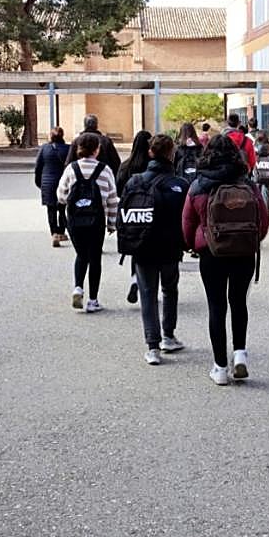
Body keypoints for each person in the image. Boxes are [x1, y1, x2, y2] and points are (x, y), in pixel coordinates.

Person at [182, 135, 269, 386]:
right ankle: (240, 354)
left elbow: (187, 222)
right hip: (243, 252)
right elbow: (263, 220)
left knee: (216, 307)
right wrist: (252, 240)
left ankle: (220, 368)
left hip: (212, 253)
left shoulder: (199, 186)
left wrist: (193, 245)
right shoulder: (247, 184)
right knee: (239, 303)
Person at [120, 134, 190, 365]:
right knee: (170, 290)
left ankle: (152, 346)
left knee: (148, 293)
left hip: (142, 245)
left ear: (151, 152)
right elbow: (187, 219)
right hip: (170, 246)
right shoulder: (180, 185)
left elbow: (124, 211)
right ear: (172, 154)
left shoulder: (135, 182)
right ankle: (168, 336)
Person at [56, 132, 118, 313]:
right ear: (97, 150)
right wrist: (112, 223)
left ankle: (78, 287)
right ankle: (93, 300)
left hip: (75, 220)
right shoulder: (104, 170)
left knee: (81, 255)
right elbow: (112, 199)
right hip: (96, 220)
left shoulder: (71, 169)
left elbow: (61, 196)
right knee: (95, 258)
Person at [116, 130, 153, 304]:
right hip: (151, 211)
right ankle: (149, 284)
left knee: (136, 247)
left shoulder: (126, 166)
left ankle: (135, 278)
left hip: (131, 212)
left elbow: (118, 189)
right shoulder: (152, 166)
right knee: (151, 246)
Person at [34, 126, 70, 246]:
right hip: (63, 182)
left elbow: (38, 167)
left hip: (47, 182)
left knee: (51, 209)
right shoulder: (68, 149)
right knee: (62, 208)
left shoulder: (44, 148)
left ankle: (54, 233)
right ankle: (61, 232)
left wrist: (39, 182)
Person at [252, 132, 269, 208]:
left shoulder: (254, 148)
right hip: (268, 176)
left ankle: (258, 214)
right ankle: (266, 214)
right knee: (267, 197)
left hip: (257, 175)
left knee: (256, 197)